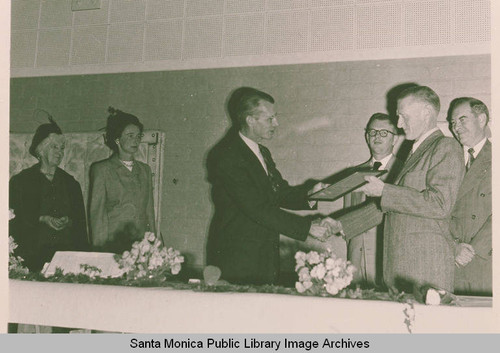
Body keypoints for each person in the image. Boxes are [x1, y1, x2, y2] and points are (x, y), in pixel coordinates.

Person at [206, 87, 340, 285]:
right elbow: (256, 208)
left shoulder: (262, 152)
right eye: (270, 119)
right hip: (238, 258)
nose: (276, 123)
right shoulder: (227, 155)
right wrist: (307, 228)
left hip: (263, 254)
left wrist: (310, 194)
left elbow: (279, 193)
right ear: (250, 120)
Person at [338, 86, 465, 293]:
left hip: (425, 269)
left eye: (403, 116)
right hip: (403, 269)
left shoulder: (445, 147)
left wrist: (385, 191)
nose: (398, 124)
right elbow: (393, 206)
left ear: (426, 112)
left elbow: (440, 204)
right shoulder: (414, 152)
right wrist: (338, 224)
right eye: (398, 117)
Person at [9, 118, 89, 272]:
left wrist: (68, 220)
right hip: (32, 256)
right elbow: (13, 220)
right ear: (41, 149)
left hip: (66, 256)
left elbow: (80, 225)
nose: (60, 152)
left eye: (62, 148)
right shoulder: (21, 182)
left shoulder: (71, 183)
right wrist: (42, 218)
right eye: (54, 147)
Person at [342, 113, 403, 287]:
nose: (377, 136)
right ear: (367, 137)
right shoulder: (353, 174)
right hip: (357, 260)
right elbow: (348, 214)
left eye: (384, 133)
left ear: (395, 139)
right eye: (373, 132)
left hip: (388, 257)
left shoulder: (404, 171)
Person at [89, 108, 155, 253]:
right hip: (113, 245)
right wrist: (99, 251)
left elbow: (149, 211)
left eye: (138, 136)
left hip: (140, 246)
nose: (136, 140)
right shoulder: (102, 169)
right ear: (117, 139)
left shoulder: (145, 170)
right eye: (130, 135)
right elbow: (97, 215)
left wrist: (154, 245)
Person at [447, 97, 491, 296]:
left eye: (462, 119)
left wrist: (472, 250)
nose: (456, 127)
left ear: (481, 119)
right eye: (453, 122)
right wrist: (453, 247)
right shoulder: (447, 159)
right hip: (450, 258)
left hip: (484, 259)